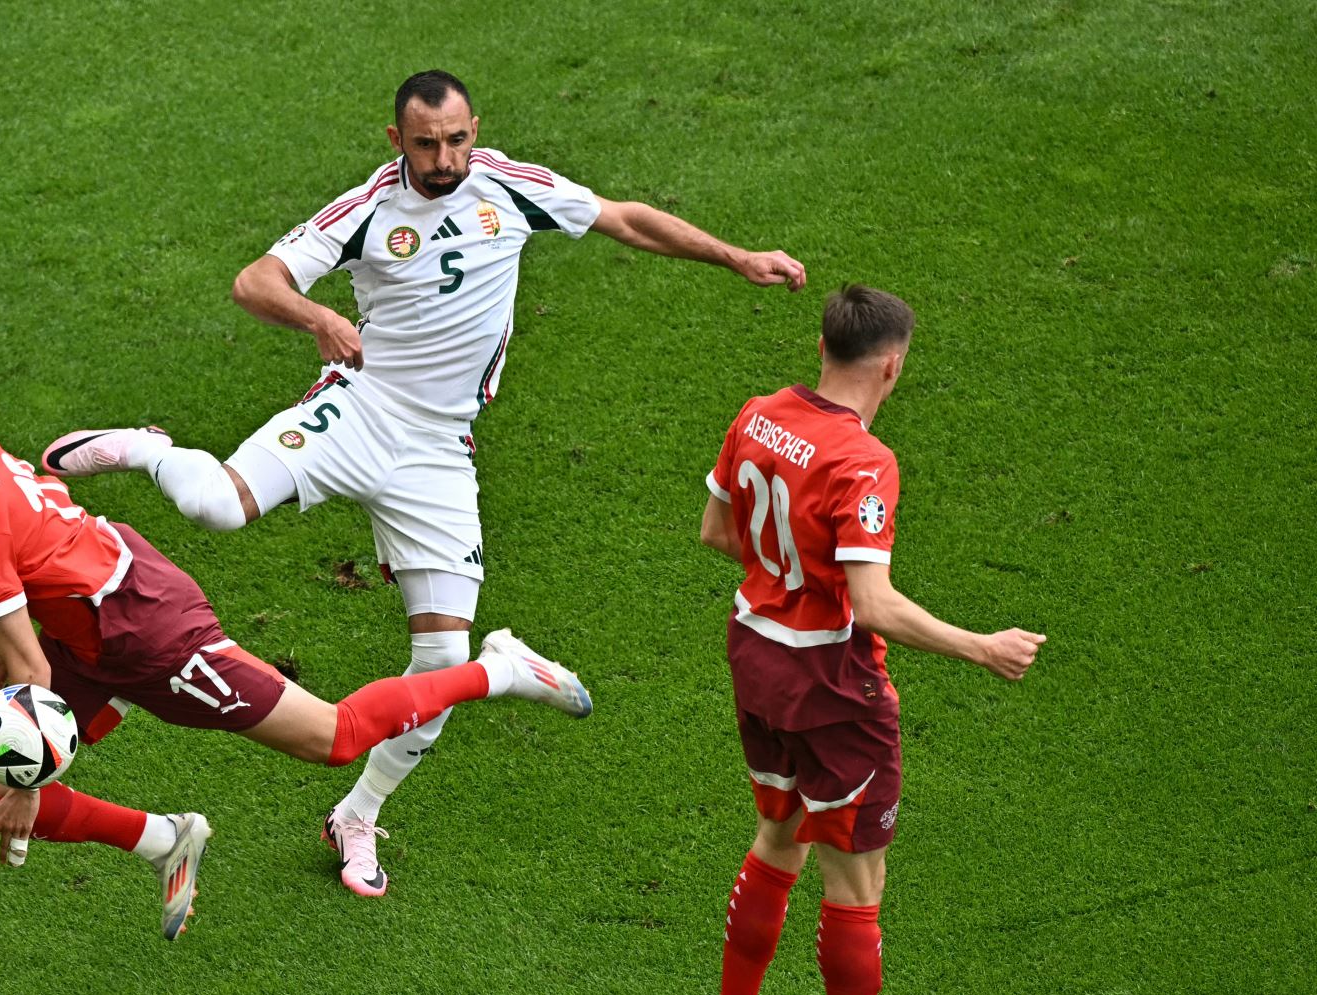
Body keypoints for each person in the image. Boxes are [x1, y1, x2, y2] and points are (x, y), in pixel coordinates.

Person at [41, 69, 806, 898]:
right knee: (213, 506)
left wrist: (738, 259)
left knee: (439, 662)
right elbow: (254, 282)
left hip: (439, 452)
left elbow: (623, 219)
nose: (443, 159)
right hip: (359, 410)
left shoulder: (511, 189)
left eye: (456, 140)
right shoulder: (370, 206)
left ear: (476, 127)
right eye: (424, 144)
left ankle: (357, 815)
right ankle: (145, 446)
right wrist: (324, 319)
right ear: (395, 140)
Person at [0, 389, 592, 940]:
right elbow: (39, 513)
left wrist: (30, 783)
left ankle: (499, 669)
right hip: (91, 613)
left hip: (146, 628)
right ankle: (167, 840)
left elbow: (34, 687)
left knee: (333, 736)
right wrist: (14, 631)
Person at [692, 286, 1044, 995]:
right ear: (893, 365)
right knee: (856, 886)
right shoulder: (863, 460)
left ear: (823, 344)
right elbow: (874, 606)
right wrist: (981, 646)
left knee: (779, 837)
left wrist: (786, 579)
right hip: (835, 690)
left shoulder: (757, 414)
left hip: (755, 657)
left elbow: (715, 531)